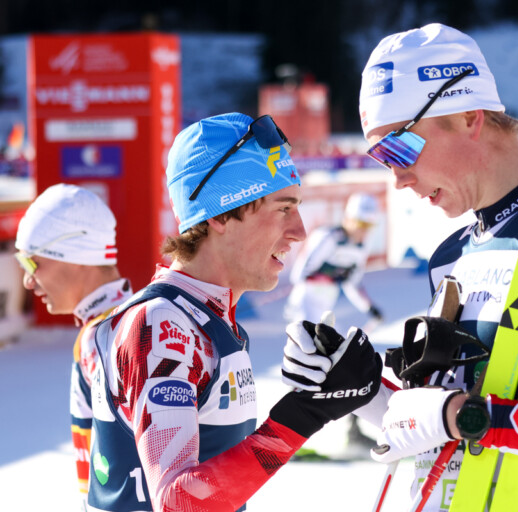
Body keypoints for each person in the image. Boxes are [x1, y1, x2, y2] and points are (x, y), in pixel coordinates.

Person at [285, 23, 518, 511]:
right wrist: (357, 384)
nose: (397, 178)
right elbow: (432, 434)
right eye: (380, 158)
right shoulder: (450, 256)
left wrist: (470, 419)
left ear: (468, 116)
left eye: (397, 148)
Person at [86, 112, 382, 511]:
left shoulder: (207, 318)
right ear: (222, 215)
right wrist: (304, 414)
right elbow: (179, 502)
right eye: (283, 209)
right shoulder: (163, 325)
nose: (300, 232)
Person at [13, 183, 133, 508]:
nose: (27, 280)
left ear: (75, 255)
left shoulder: (110, 336)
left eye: (31, 263)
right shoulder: (111, 327)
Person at [284, 191, 383, 330]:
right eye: (360, 223)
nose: (363, 230)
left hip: (326, 306)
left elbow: (352, 283)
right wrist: (324, 278)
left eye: (369, 225)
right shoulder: (329, 237)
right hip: (305, 302)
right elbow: (299, 273)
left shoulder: (361, 247)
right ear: (348, 219)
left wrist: (369, 308)